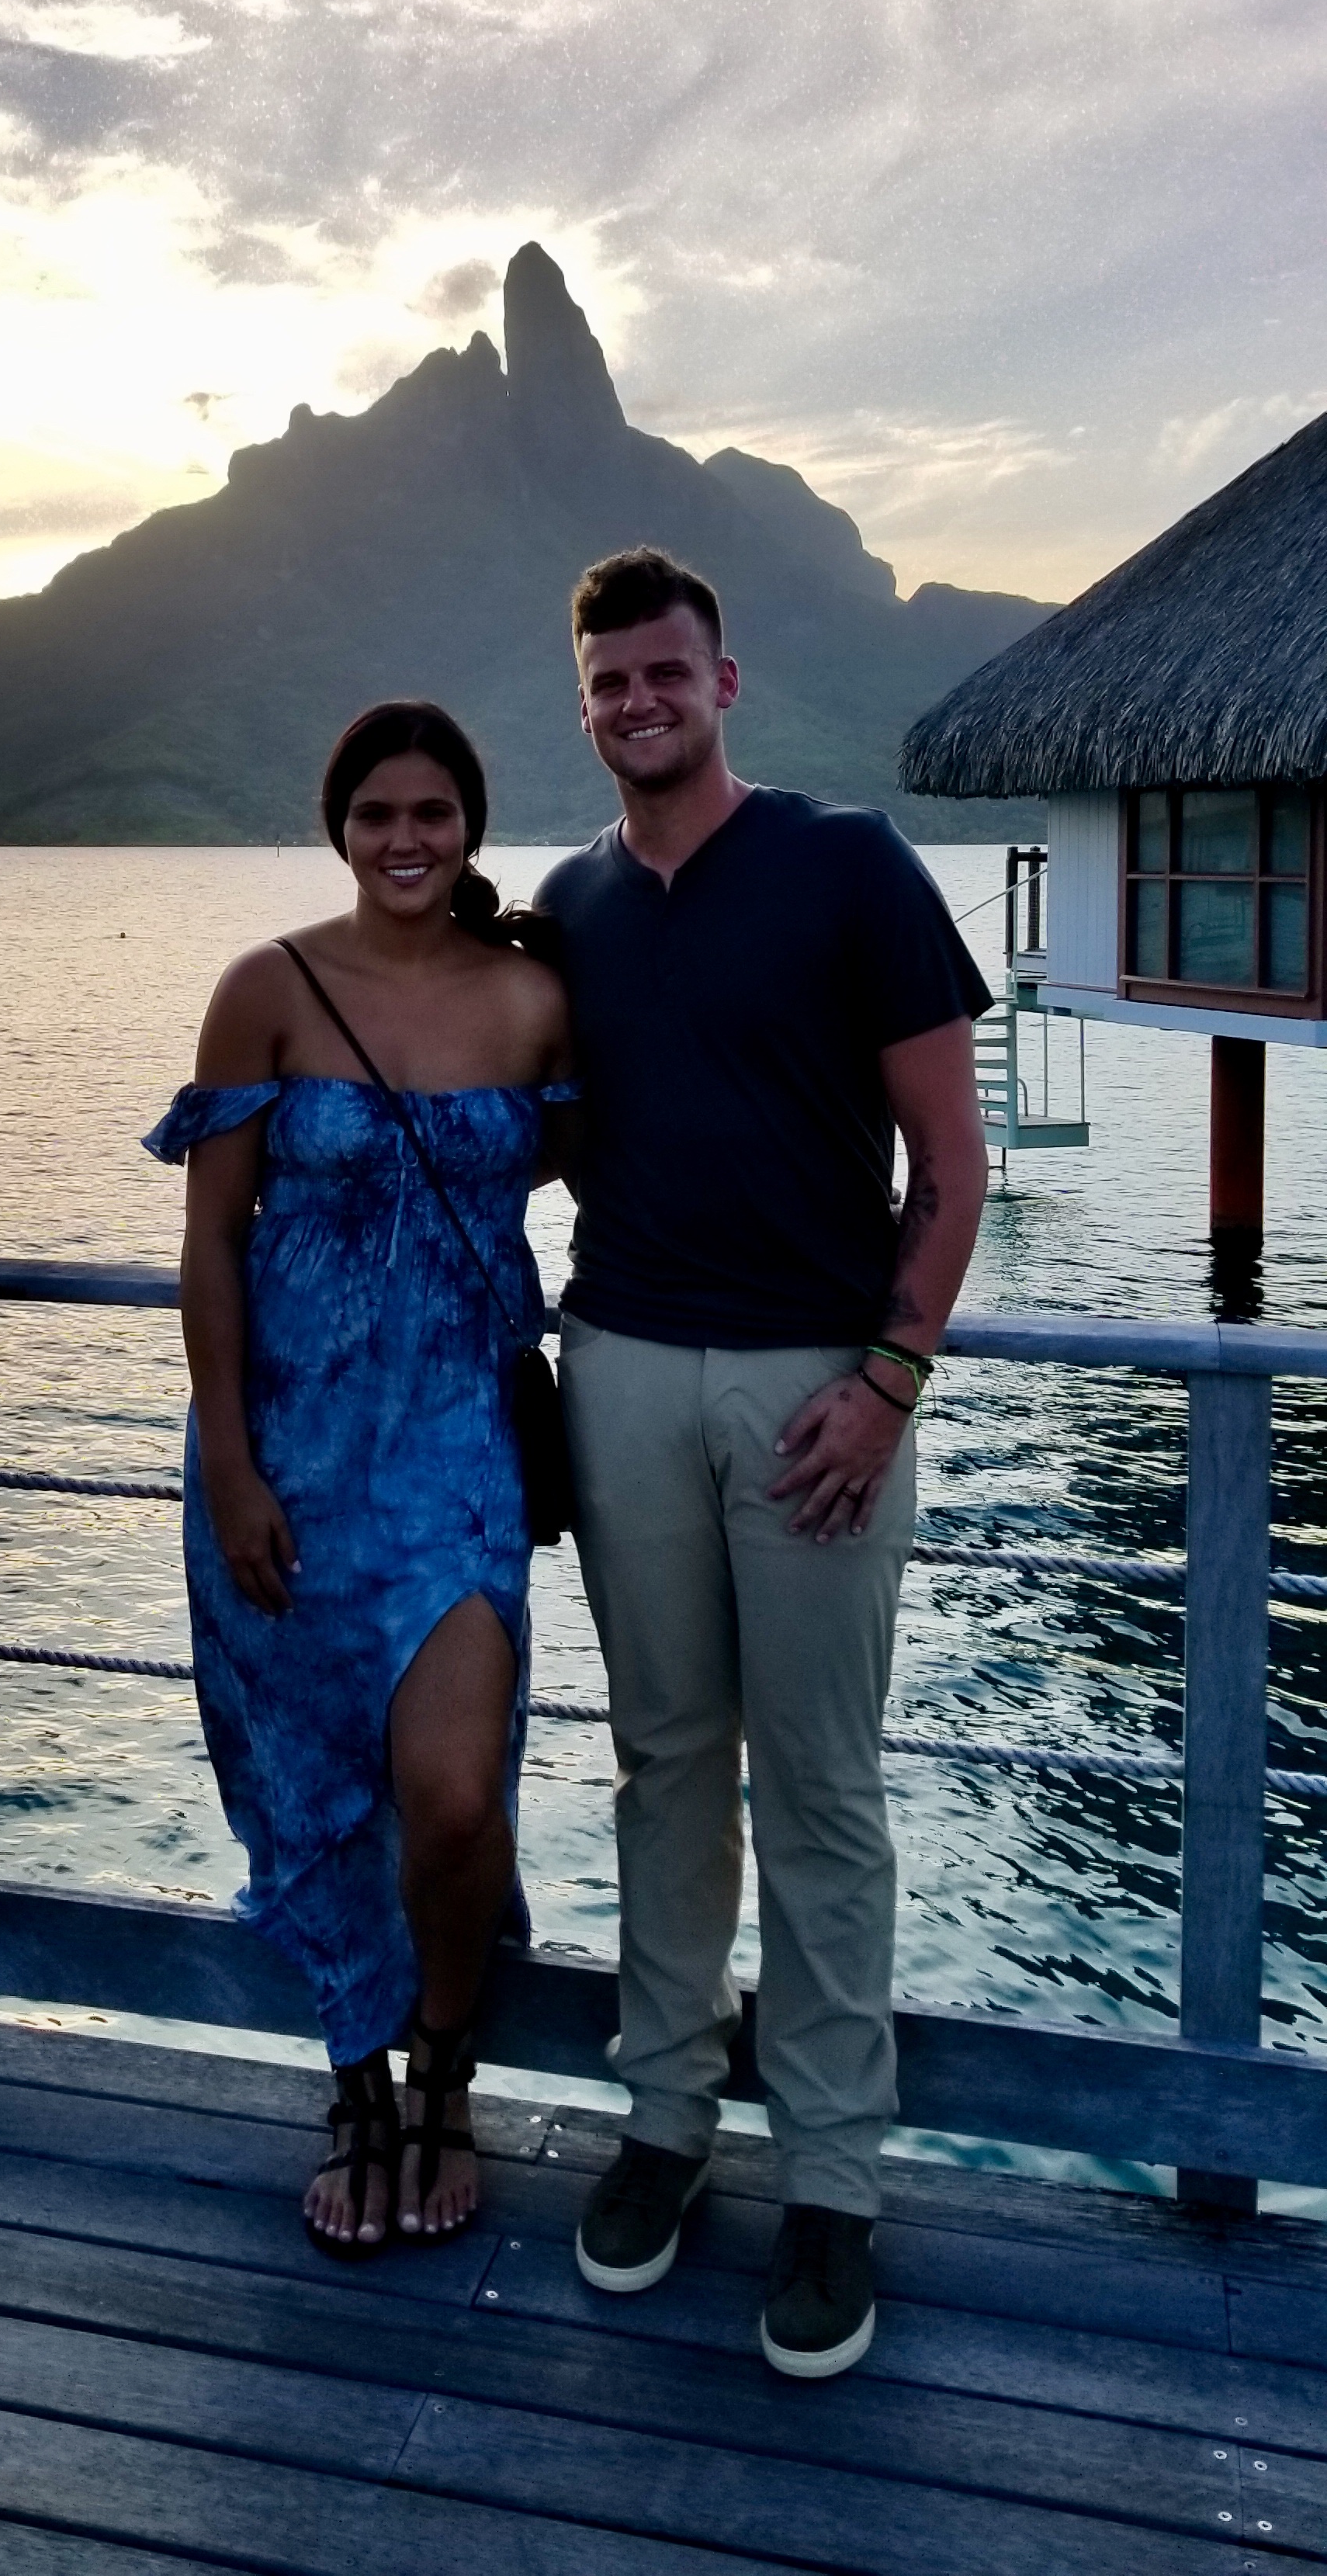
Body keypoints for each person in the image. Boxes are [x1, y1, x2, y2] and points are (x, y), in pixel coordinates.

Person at [534, 546, 989, 2380]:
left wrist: (890, 1378)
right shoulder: (564, 908)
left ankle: (832, 2179)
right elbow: (536, 1130)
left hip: (819, 1381)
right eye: (609, 684)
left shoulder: (849, 864)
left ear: (727, 681)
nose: (639, 704)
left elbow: (955, 1166)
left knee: (816, 1783)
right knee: (661, 1765)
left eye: (666, 675)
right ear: (587, 706)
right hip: (623, 1363)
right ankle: (664, 2121)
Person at [146, 702, 576, 2261]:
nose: (408, 838)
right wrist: (235, 1464)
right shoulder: (266, 988)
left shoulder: (533, 1001)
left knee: (454, 1799)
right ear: (341, 826)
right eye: (379, 812)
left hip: (456, 1444)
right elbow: (209, 1244)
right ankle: (360, 2089)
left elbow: (645, 1182)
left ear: (471, 826)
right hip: (287, 1458)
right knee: (318, 1786)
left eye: (435, 813)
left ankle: (449, 2070)